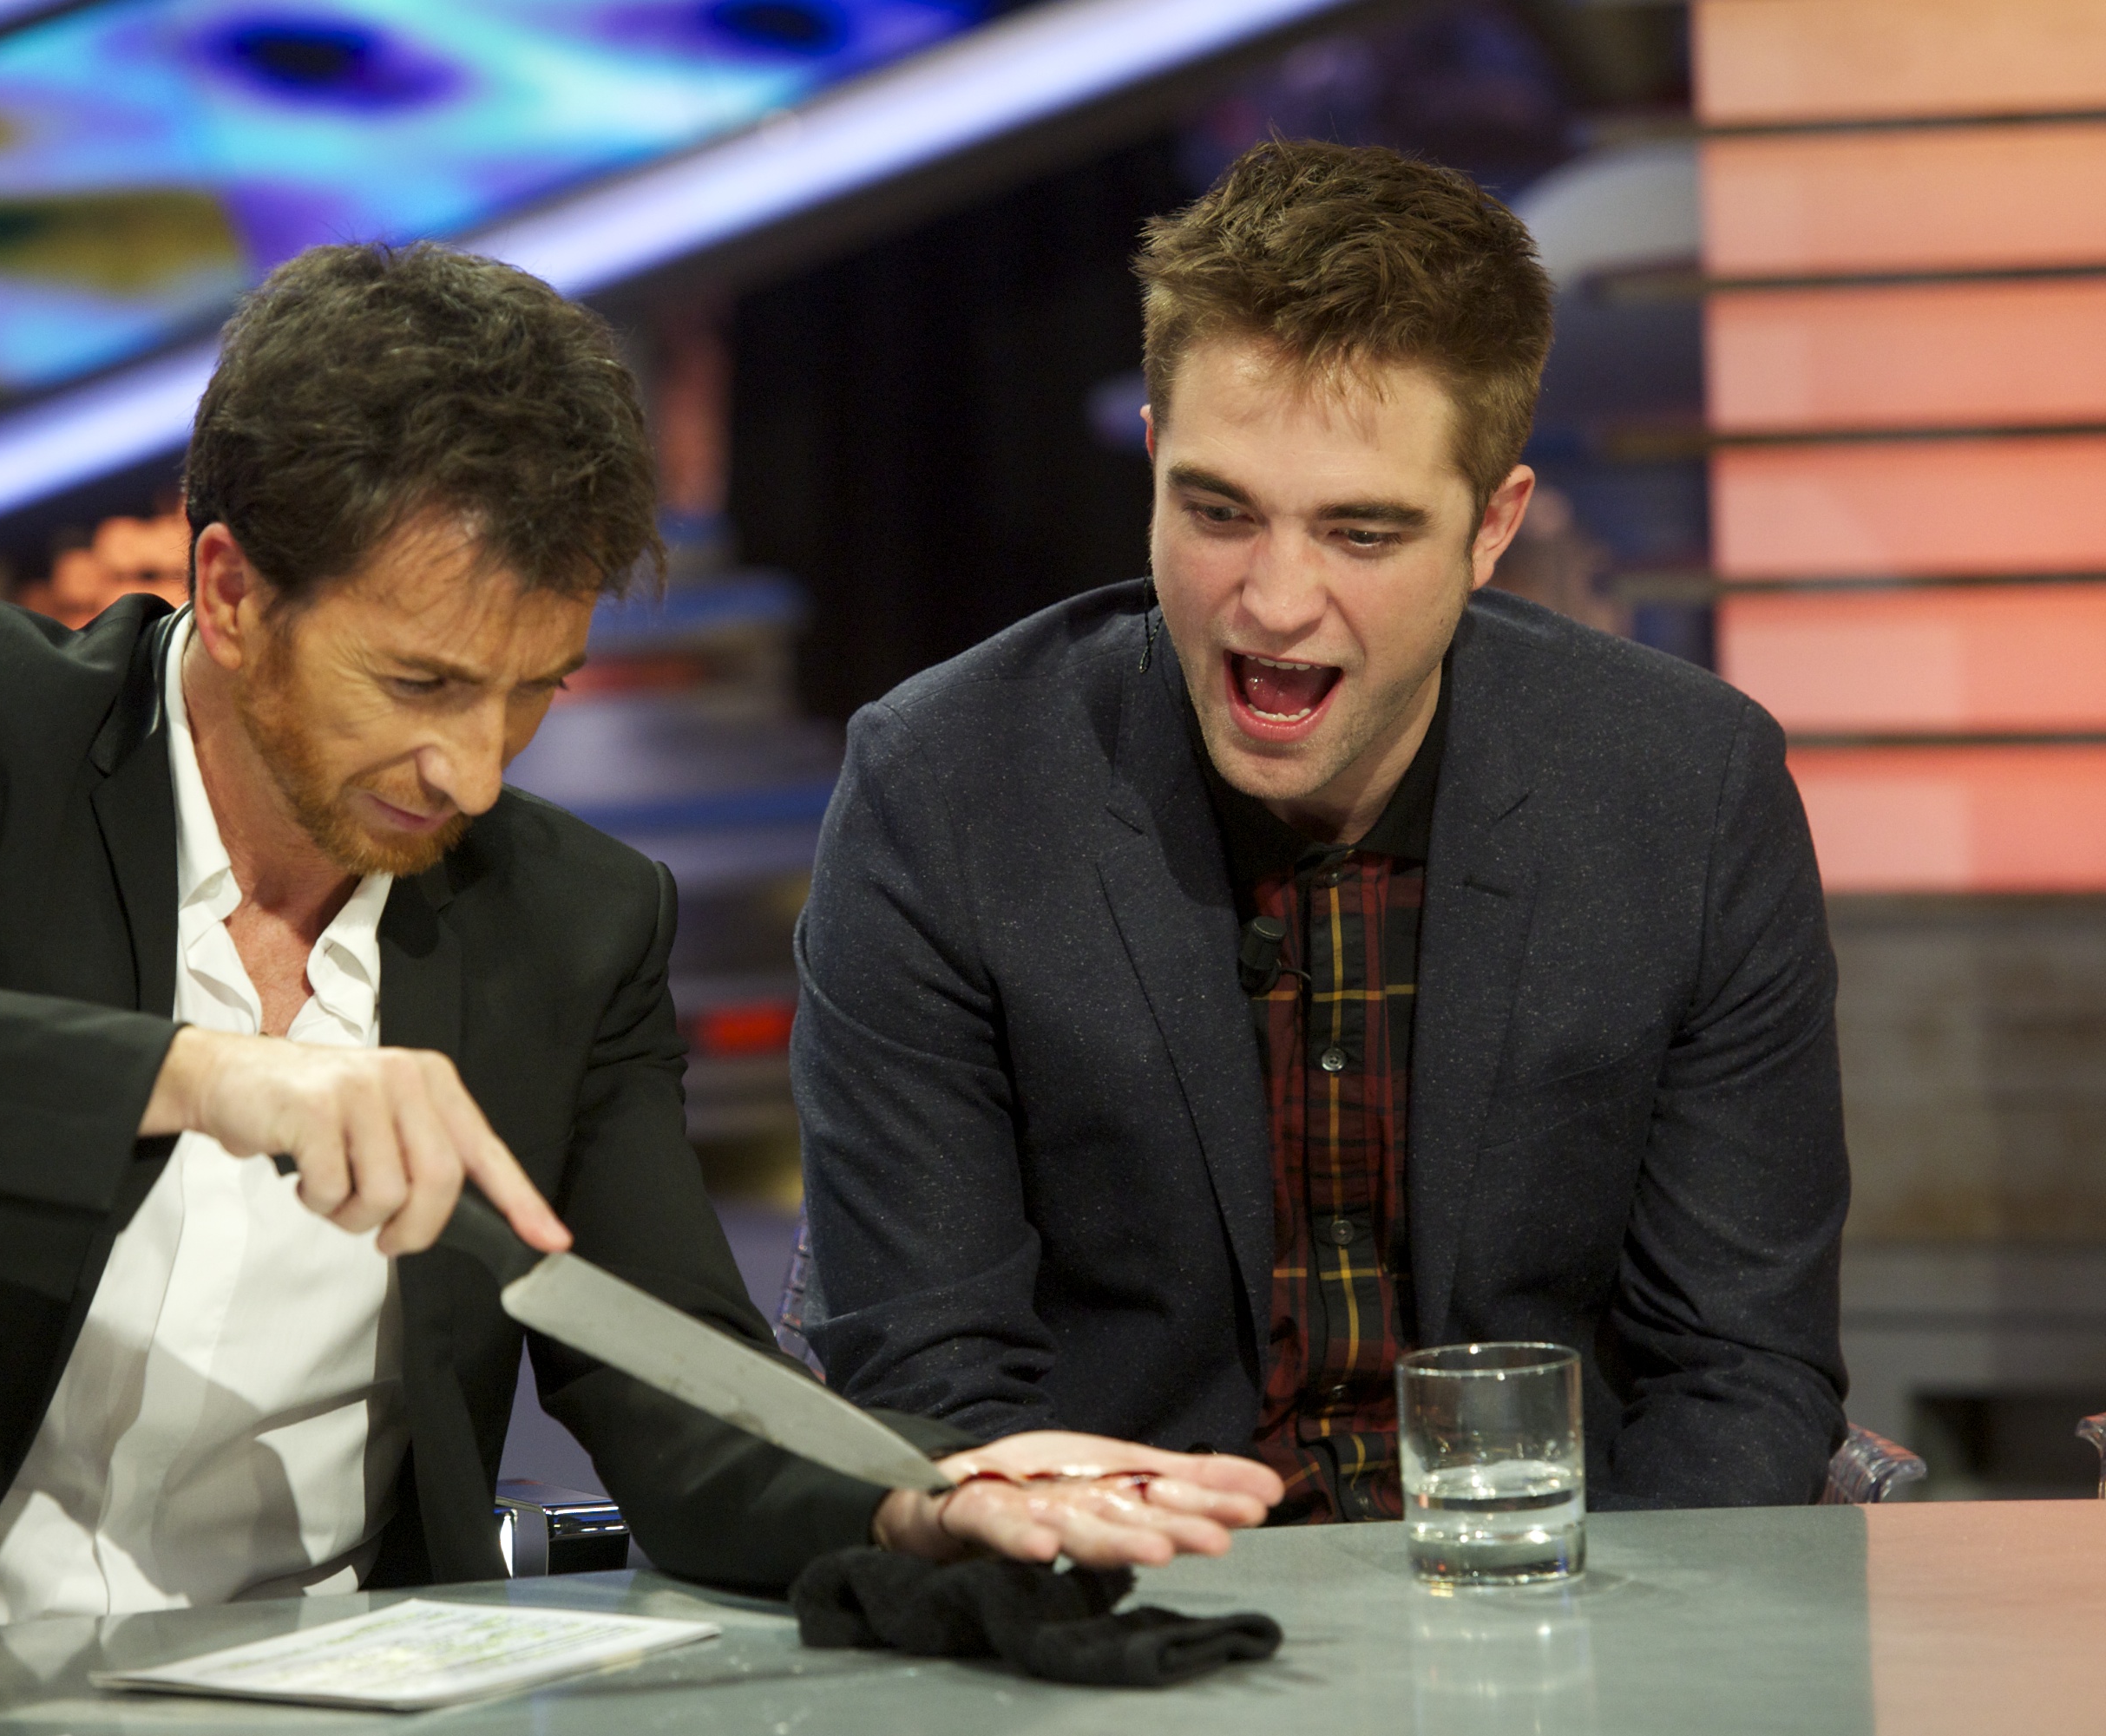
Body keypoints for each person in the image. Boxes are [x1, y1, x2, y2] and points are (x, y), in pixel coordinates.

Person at [0, 243, 1281, 1606]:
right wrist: (209, 1074)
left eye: (535, 690)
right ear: (230, 589)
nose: (474, 767)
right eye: (422, 681)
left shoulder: (568, 923)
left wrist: (915, 1493)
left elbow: (669, 1384)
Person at [791, 141, 1849, 1521]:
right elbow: (931, 1374)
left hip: (1563, 1591)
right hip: (1126, 1598)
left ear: (1493, 527)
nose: (1275, 603)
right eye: (1219, 511)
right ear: (1153, 463)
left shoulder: (1686, 793)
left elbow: (1739, 1369)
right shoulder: (944, 791)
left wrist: (1612, 1635)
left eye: (1362, 533)